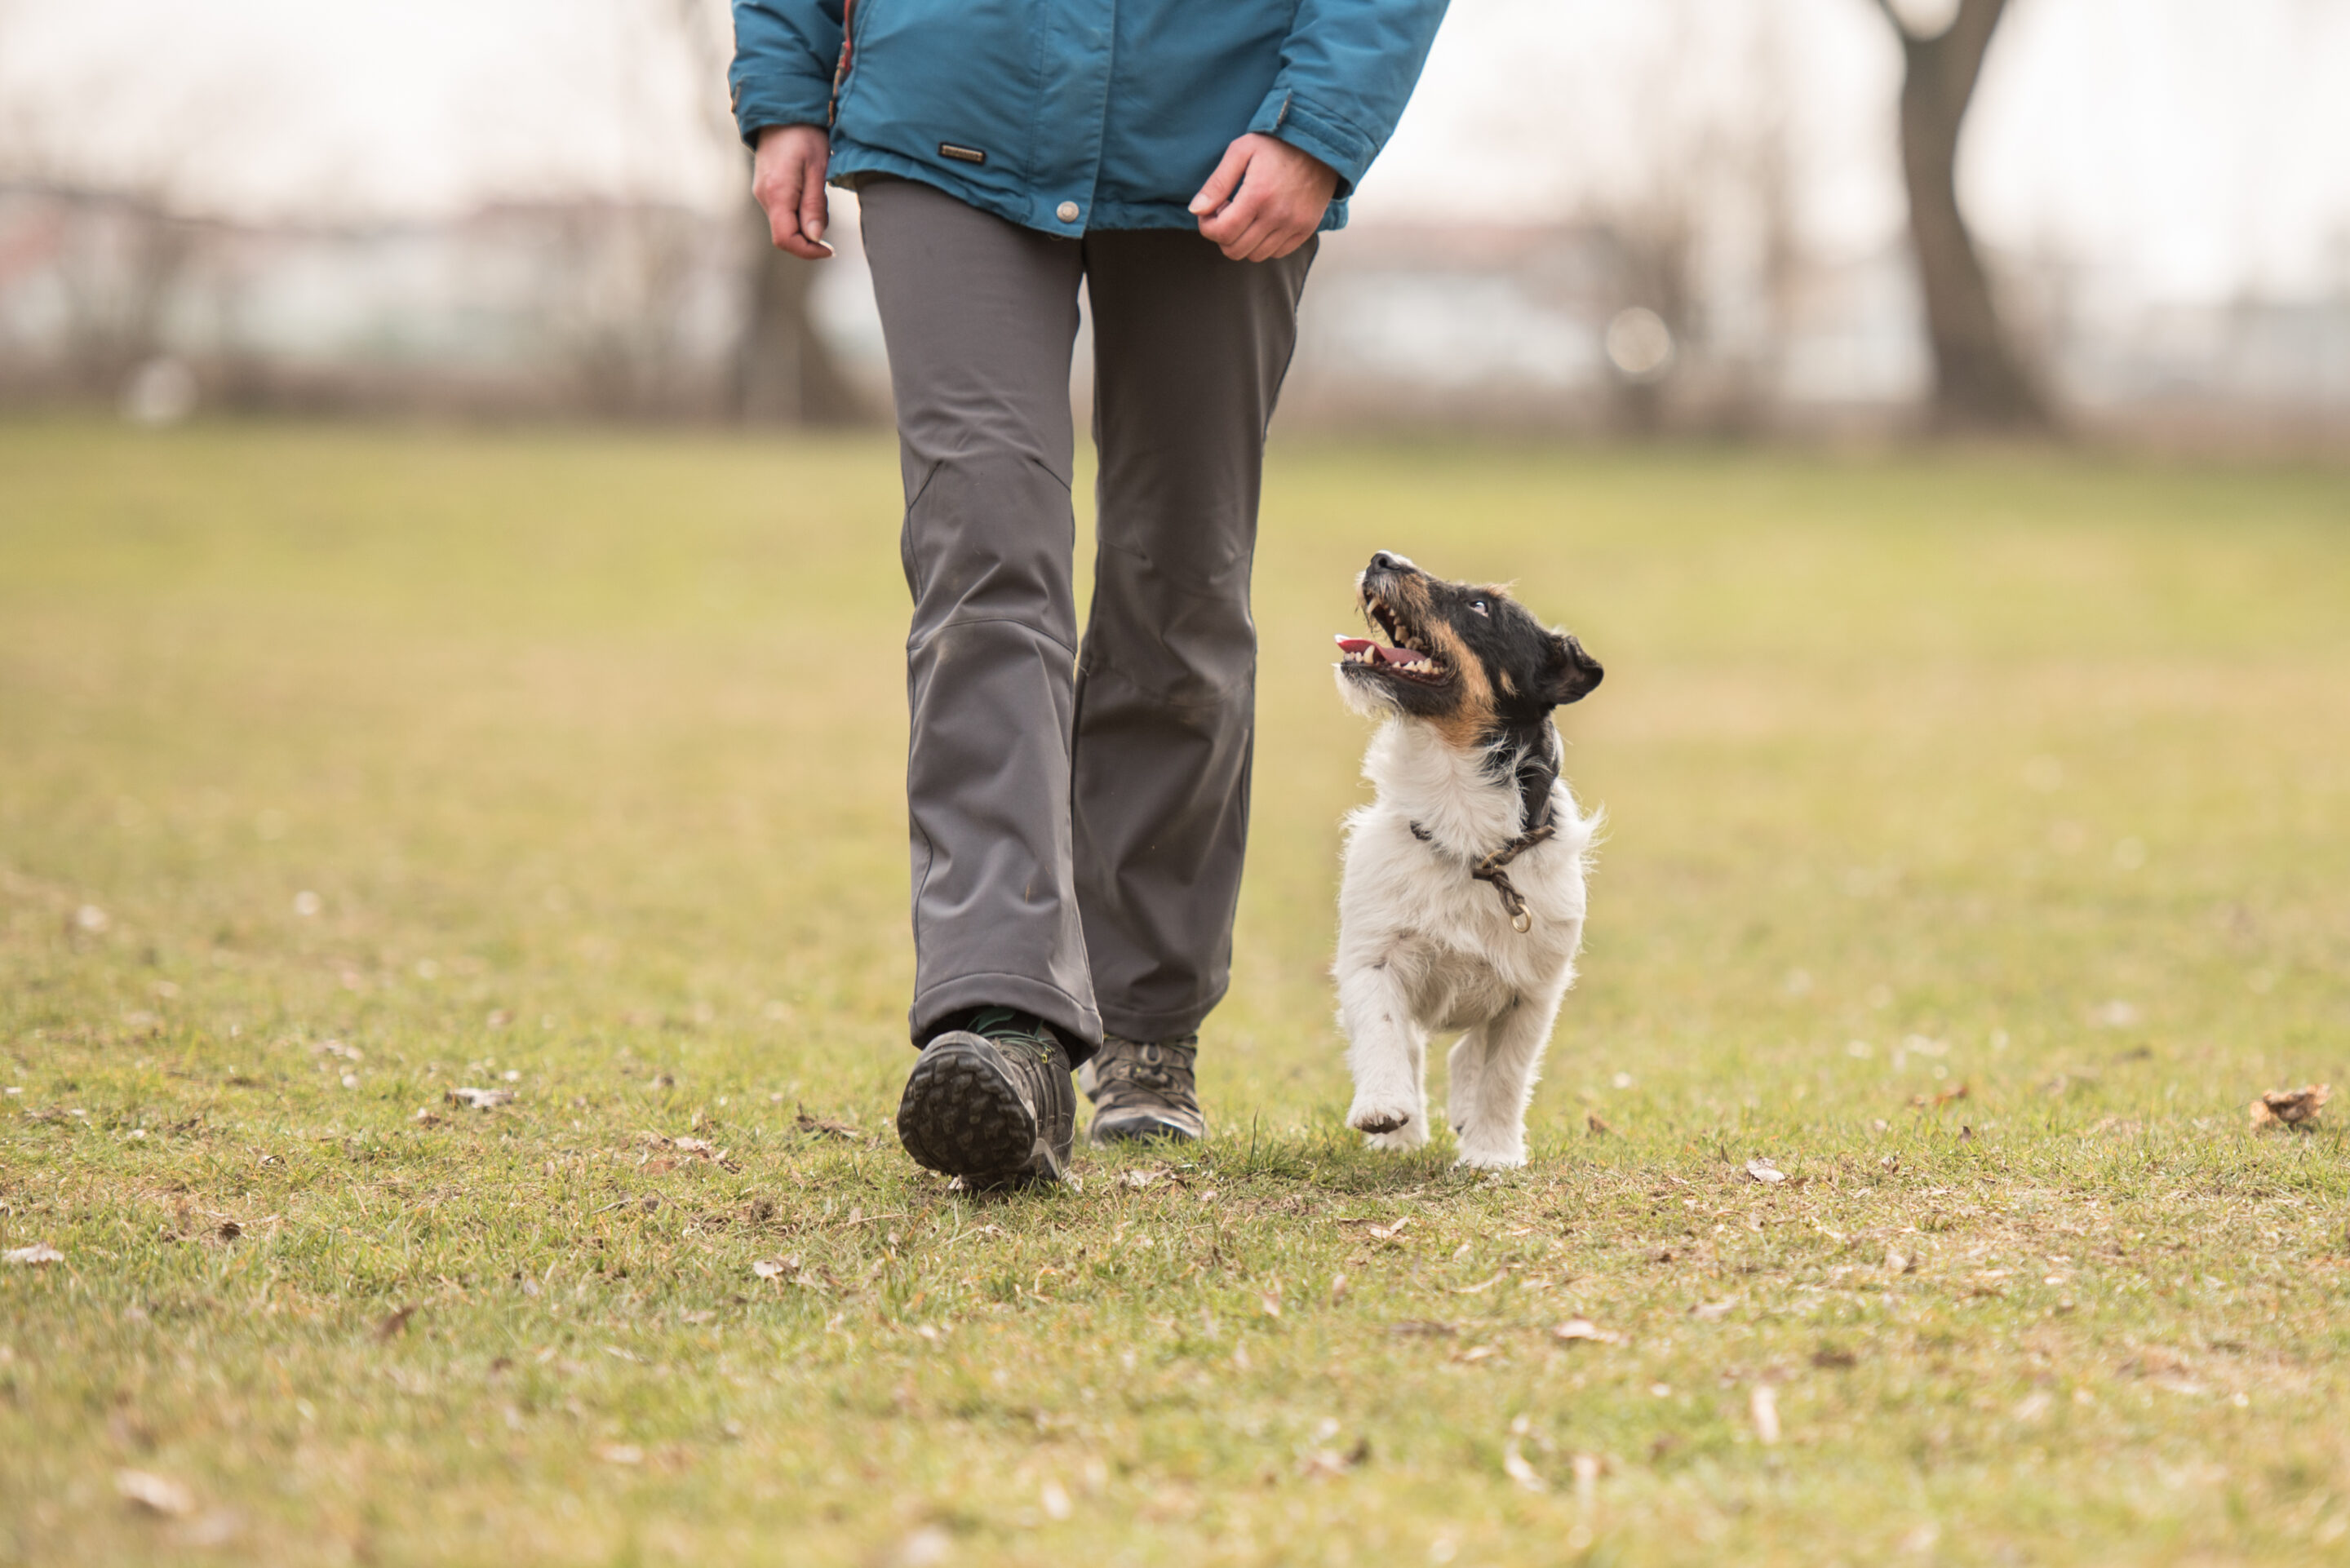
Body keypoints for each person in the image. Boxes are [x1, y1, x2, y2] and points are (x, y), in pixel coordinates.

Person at [731, 0, 1451, 1185]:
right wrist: (783, 80)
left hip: (1222, 120)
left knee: (1180, 585)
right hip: (947, 97)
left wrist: (1321, 121)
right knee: (984, 557)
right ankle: (1002, 1020)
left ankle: (1145, 1024)